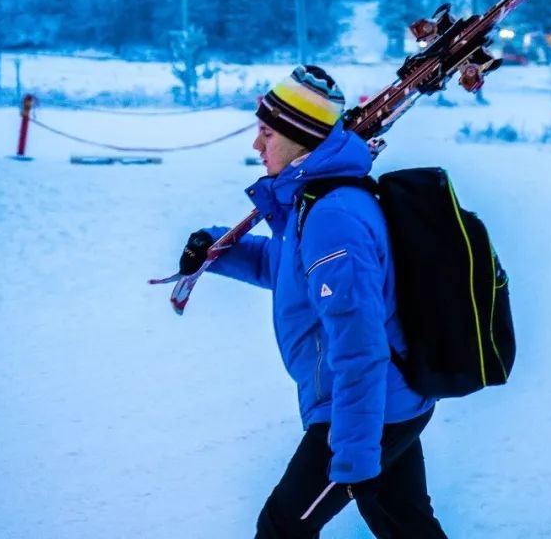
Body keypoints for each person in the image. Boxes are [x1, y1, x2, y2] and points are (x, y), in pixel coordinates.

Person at [178, 65, 447, 538]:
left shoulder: (332, 218)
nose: (256, 147)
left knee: (282, 528)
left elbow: (359, 349)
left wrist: (356, 457)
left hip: (367, 410)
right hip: (388, 402)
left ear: (301, 139)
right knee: (405, 525)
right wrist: (218, 248)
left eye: (266, 134)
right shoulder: (316, 199)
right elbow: (289, 271)